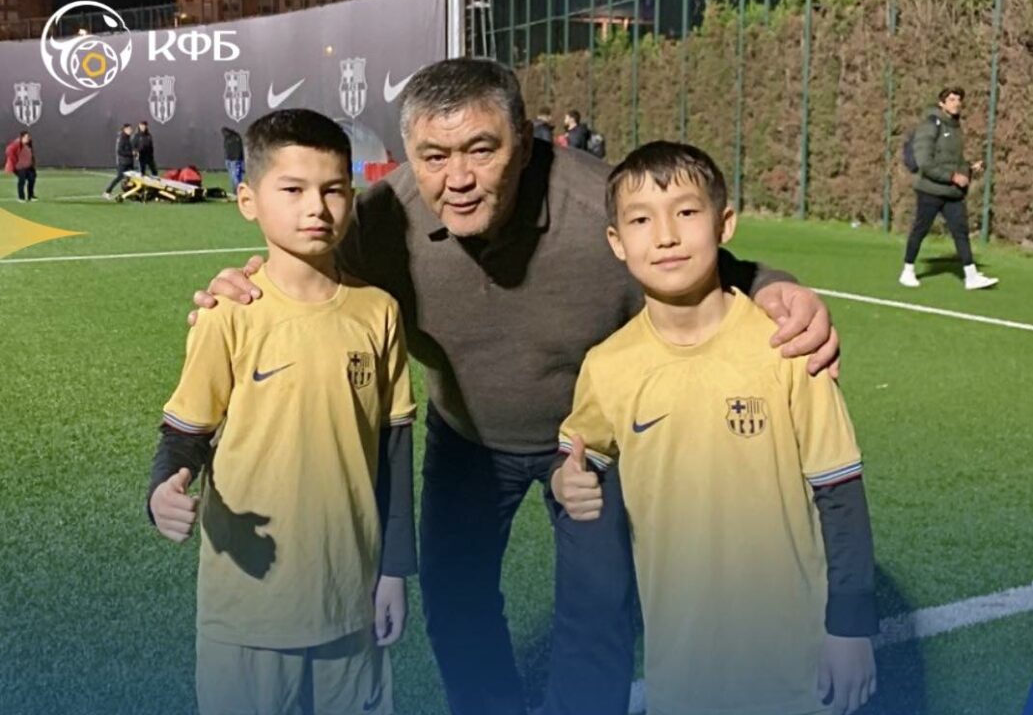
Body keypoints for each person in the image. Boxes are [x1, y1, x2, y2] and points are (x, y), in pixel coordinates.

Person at [188, 59, 840, 715]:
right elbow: (301, 274)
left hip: (589, 444)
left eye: (482, 149)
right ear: (409, 155)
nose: (458, 179)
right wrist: (240, 287)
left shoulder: (598, 205)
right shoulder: (378, 221)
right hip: (465, 437)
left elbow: (703, 259)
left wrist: (775, 287)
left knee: (599, 608)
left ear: (524, 143)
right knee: (455, 602)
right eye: (434, 156)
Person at [553, 141, 877, 715]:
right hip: (680, 665)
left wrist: (850, 628)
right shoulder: (607, 365)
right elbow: (580, 460)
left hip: (796, 660)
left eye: (686, 211)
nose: (665, 236)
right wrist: (566, 484)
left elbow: (839, 490)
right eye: (641, 220)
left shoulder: (787, 347)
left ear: (724, 223)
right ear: (617, 242)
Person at [147, 109, 416, 714]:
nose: (316, 208)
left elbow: (394, 451)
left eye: (333, 190)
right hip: (248, 604)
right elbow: (185, 432)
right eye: (292, 190)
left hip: (349, 598)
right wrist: (161, 490)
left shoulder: (378, 312)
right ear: (248, 200)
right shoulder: (228, 312)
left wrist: (394, 570)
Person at [899, 87, 998, 290]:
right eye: (951, 99)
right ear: (941, 103)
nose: (956, 103)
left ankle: (971, 276)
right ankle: (907, 270)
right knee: (920, 229)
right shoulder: (930, 125)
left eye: (959, 99)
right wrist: (952, 177)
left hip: (952, 192)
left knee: (961, 232)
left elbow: (952, 161)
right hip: (930, 190)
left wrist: (969, 168)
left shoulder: (955, 127)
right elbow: (925, 162)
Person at [103, 123, 135, 200]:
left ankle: (128, 193)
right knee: (119, 177)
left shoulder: (128, 138)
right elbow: (120, 151)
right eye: (129, 129)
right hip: (123, 162)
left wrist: (134, 153)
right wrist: (131, 153)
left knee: (131, 178)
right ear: (125, 129)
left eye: (131, 129)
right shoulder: (122, 138)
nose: (130, 130)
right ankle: (107, 192)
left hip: (129, 162)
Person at [4, 131, 38, 202]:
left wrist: (32, 163)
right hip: (19, 167)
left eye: (28, 137)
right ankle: (21, 197)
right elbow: (8, 151)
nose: (28, 138)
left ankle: (31, 196)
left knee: (32, 179)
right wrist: (15, 162)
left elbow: (30, 153)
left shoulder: (29, 143)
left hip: (28, 166)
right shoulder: (16, 143)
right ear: (22, 137)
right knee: (22, 180)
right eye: (26, 137)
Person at [222, 126, 246, 195]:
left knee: (235, 176)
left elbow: (238, 149)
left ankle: (238, 190)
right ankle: (235, 190)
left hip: (234, 159)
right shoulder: (229, 138)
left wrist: (238, 158)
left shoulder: (235, 138)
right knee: (233, 176)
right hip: (230, 159)